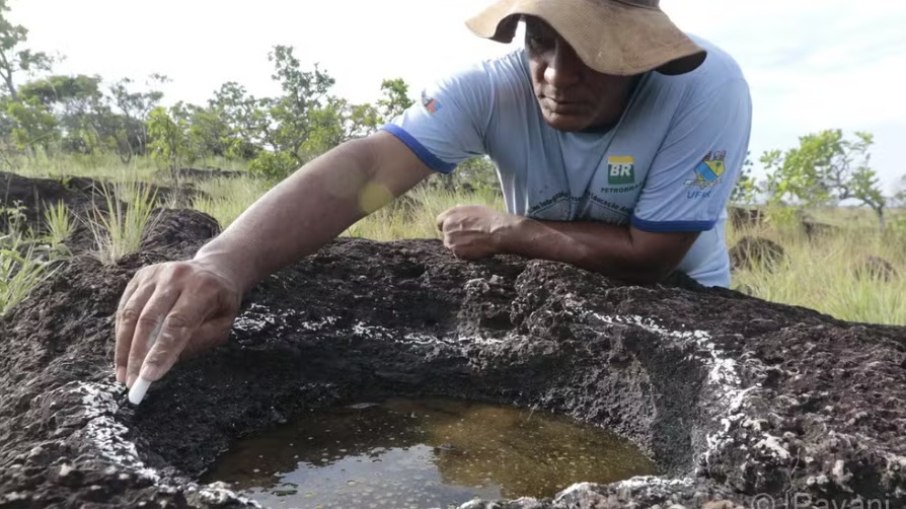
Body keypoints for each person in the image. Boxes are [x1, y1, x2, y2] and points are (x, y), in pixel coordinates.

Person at [114, 0, 752, 392]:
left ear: (638, 55)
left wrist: (512, 232)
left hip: (680, 302)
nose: (557, 74)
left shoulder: (704, 90)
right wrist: (224, 261)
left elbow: (653, 255)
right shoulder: (491, 90)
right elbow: (368, 167)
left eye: (589, 50)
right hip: (555, 294)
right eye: (540, 42)